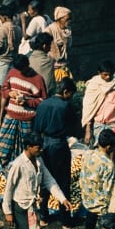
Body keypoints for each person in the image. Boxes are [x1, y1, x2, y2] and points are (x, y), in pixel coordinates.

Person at [2, 133, 71, 229]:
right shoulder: (18, 165)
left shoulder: (39, 161)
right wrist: (7, 211)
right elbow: (8, 188)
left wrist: (62, 199)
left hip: (32, 205)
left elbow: (49, 180)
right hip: (20, 206)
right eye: (38, 148)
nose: (41, 150)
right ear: (28, 147)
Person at [0, 52, 47, 169]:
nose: (21, 72)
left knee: (23, 149)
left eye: (23, 69)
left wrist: (27, 102)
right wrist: (9, 93)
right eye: (19, 70)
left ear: (27, 65)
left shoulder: (38, 79)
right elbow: (4, 88)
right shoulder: (12, 72)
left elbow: (43, 101)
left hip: (27, 120)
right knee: (1, 145)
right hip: (11, 116)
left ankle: (20, 170)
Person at [34, 77, 79, 216]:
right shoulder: (65, 106)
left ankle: (43, 215)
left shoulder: (43, 104)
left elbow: (36, 128)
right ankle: (65, 218)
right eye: (70, 94)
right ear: (66, 91)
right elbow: (75, 128)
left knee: (45, 178)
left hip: (45, 145)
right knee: (63, 180)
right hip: (59, 145)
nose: (70, 97)